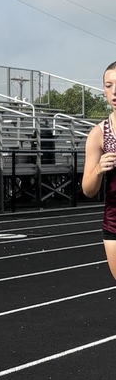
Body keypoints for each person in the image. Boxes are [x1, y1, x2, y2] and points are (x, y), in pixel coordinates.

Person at [82, 61, 116, 278]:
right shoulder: (99, 133)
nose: (114, 91)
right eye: (108, 85)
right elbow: (88, 190)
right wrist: (97, 169)